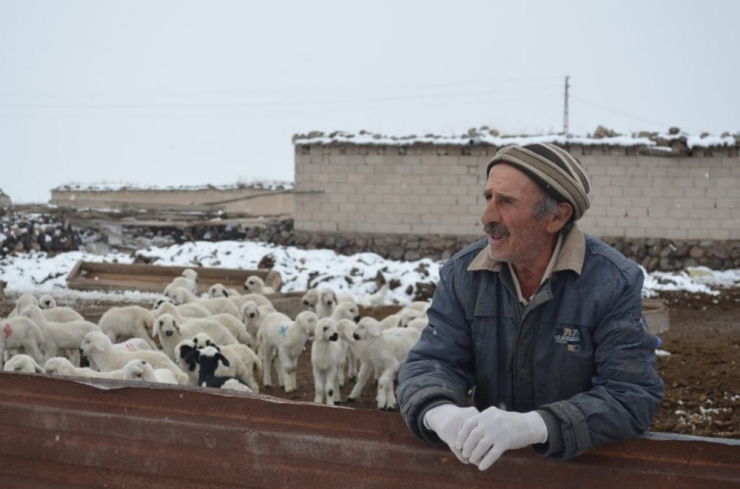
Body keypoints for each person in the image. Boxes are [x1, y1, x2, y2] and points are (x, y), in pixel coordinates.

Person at [397, 143, 664, 470]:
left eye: (507, 202)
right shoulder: (464, 275)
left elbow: (631, 394)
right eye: (488, 198)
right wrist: (439, 411)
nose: (487, 217)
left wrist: (535, 426)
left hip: (577, 472)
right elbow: (433, 360)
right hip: (493, 468)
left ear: (557, 216)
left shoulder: (611, 282)